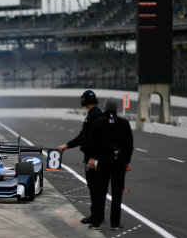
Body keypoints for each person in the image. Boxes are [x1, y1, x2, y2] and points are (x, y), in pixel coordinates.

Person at [86, 98, 133, 230]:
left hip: (103, 161)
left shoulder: (98, 122)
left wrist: (92, 158)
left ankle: (96, 221)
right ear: (116, 109)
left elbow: (92, 142)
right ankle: (115, 223)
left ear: (105, 108)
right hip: (118, 161)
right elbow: (129, 145)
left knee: (100, 191)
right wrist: (126, 161)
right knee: (117, 193)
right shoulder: (124, 123)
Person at [57, 90, 103, 224]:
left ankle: (96, 216)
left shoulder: (95, 115)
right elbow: (83, 136)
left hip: (93, 158)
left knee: (95, 188)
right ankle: (98, 214)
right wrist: (67, 145)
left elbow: (96, 139)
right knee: (94, 187)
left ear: (86, 100)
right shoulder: (93, 113)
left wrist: (93, 157)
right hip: (91, 156)